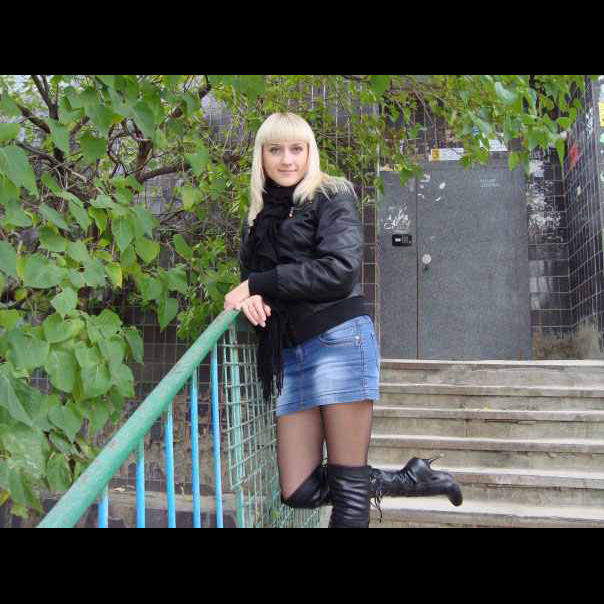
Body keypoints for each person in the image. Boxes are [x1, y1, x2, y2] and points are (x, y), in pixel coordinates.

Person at [223, 112, 462, 528]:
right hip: (291, 353)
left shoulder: (331, 194)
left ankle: (392, 480)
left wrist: (258, 283)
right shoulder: (257, 219)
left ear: (310, 152)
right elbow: (254, 282)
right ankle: (410, 479)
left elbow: (340, 269)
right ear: (261, 156)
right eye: (275, 150)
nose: (286, 159)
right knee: (298, 489)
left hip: (338, 341)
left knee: (349, 500)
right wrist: (253, 299)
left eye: (296, 149)